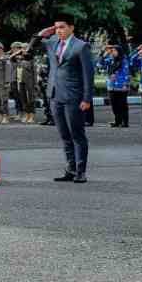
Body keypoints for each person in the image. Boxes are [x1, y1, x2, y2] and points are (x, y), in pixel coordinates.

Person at [32, 13, 94, 183]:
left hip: (74, 96)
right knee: (64, 136)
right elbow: (31, 49)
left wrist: (87, 98)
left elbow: (88, 75)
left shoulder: (81, 46)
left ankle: (81, 171)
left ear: (71, 27)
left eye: (62, 27)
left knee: (77, 135)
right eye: (57, 27)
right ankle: (70, 169)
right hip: (55, 95)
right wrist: (42, 33)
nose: (58, 30)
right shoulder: (52, 42)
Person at [100, 43, 131, 128]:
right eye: (112, 50)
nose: (112, 52)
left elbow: (126, 73)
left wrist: (125, 84)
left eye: (114, 50)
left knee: (122, 104)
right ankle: (117, 121)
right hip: (111, 85)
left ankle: (125, 122)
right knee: (114, 105)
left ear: (119, 51)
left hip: (121, 86)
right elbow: (100, 65)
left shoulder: (123, 60)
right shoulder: (110, 59)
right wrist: (104, 54)